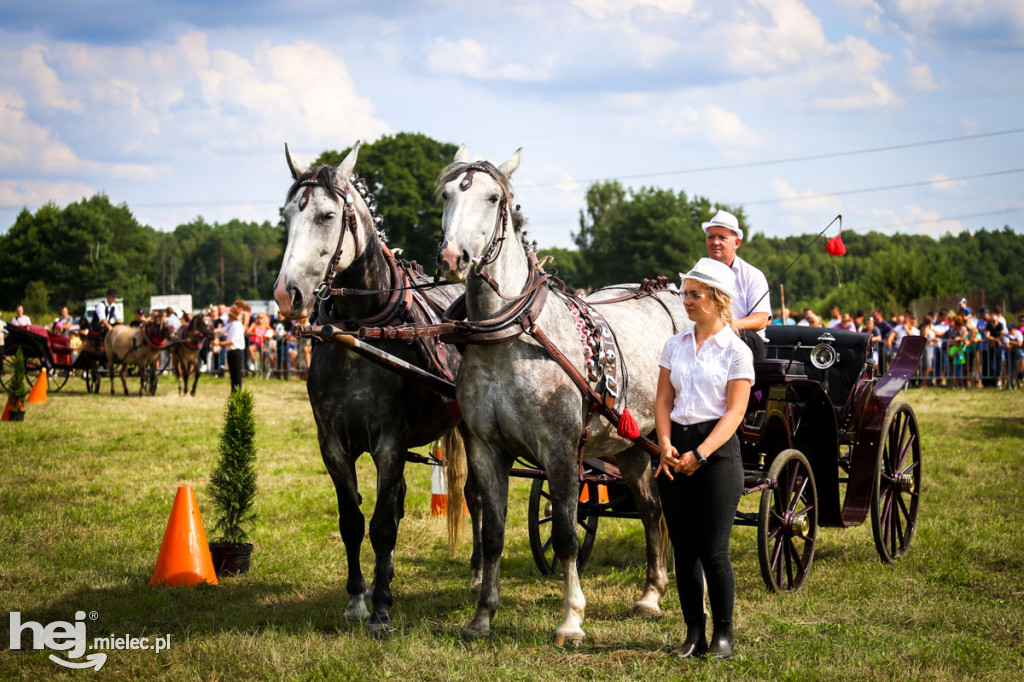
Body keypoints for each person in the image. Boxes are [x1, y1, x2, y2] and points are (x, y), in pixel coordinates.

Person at [655, 257, 754, 660]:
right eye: (686, 293)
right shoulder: (673, 345)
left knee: (714, 550)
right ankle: (694, 631)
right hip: (675, 448)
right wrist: (664, 442)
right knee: (683, 549)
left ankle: (724, 636)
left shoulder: (736, 351)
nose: (687, 301)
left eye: (695, 294)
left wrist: (701, 453)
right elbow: (663, 399)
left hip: (717, 453)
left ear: (717, 299)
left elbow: (734, 412)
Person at [702, 209, 771, 360]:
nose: (715, 242)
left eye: (722, 237)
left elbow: (761, 319)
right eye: (711, 237)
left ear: (737, 243)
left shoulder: (753, 276)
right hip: (707, 339)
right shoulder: (697, 275)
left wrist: (730, 325)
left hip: (746, 342)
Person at [213, 305, 245, 392]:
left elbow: (232, 341)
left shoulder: (237, 326)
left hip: (236, 351)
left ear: (232, 316)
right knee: (232, 374)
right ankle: (233, 392)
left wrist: (219, 343)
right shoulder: (231, 324)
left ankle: (237, 393)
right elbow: (221, 331)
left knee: (236, 375)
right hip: (231, 352)